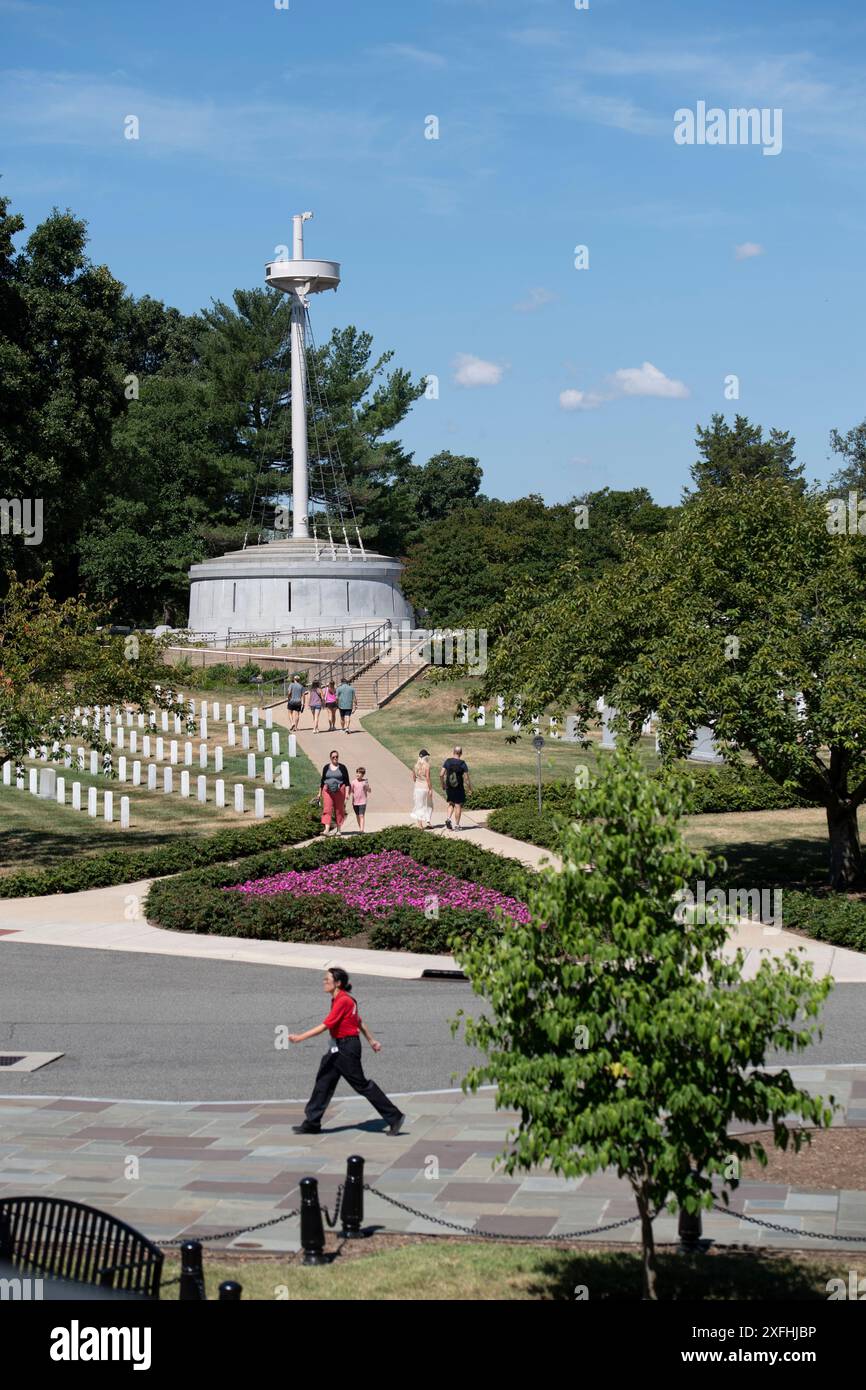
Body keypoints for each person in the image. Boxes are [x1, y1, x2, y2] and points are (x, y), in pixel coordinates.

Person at [289, 967, 405, 1136]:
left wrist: (300, 1037)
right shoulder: (340, 999)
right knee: (324, 1081)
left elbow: (325, 1026)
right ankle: (312, 1122)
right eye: (324, 979)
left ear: (338, 983)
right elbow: (358, 1021)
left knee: (362, 1085)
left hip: (347, 1048)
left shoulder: (343, 1001)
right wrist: (372, 1040)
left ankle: (395, 1117)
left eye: (327, 980)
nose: (324, 982)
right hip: (338, 1047)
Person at [318, 750, 350, 834]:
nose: (335, 758)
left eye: (337, 757)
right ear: (330, 758)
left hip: (339, 791)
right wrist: (319, 793)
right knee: (327, 809)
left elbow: (347, 782)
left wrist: (347, 794)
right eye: (333, 757)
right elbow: (322, 781)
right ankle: (326, 830)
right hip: (327, 791)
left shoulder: (342, 767)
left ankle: (339, 830)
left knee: (339, 810)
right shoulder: (326, 767)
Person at [440, 745, 471, 830]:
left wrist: (442, 784)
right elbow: (466, 779)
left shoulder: (448, 761)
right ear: (461, 753)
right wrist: (469, 789)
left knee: (451, 803)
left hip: (449, 786)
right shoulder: (462, 763)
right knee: (458, 805)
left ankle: (448, 819)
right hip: (458, 787)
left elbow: (441, 774)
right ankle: (457, 825)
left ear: (453, 752)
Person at [410, 749, 433, 829]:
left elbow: (413, 778)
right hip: (425, 787)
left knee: (419, 806)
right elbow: (428, 778)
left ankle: (420, 824)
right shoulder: (427, 765)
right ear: (426, 757)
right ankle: (428, 822)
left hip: (417, 788)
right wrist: (430, 789)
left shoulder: (415, 765)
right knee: (429, 805)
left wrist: (417, 782)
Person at [351, 766, 371, 832]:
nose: (358, 774)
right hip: (355, 802)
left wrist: (367, 785)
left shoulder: (364, 782)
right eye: (357, 772)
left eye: (360, 773)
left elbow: (369, 791)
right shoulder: (353, 782)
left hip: (362, 802)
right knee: (357, 816)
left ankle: (361, 830)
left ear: (363, 775)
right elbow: (351, 791)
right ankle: (360, 828)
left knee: (361, 815)